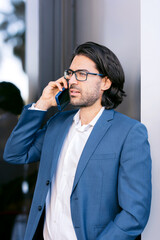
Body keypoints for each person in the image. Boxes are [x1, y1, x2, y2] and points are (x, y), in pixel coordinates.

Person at [3, 42, 151, 240]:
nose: (72, 80)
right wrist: (42, 104)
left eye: (82, 74)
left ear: (105, 83)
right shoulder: (58, 124)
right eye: (70, 73)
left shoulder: (129, 132)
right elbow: (15, 153)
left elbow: (134, 214)